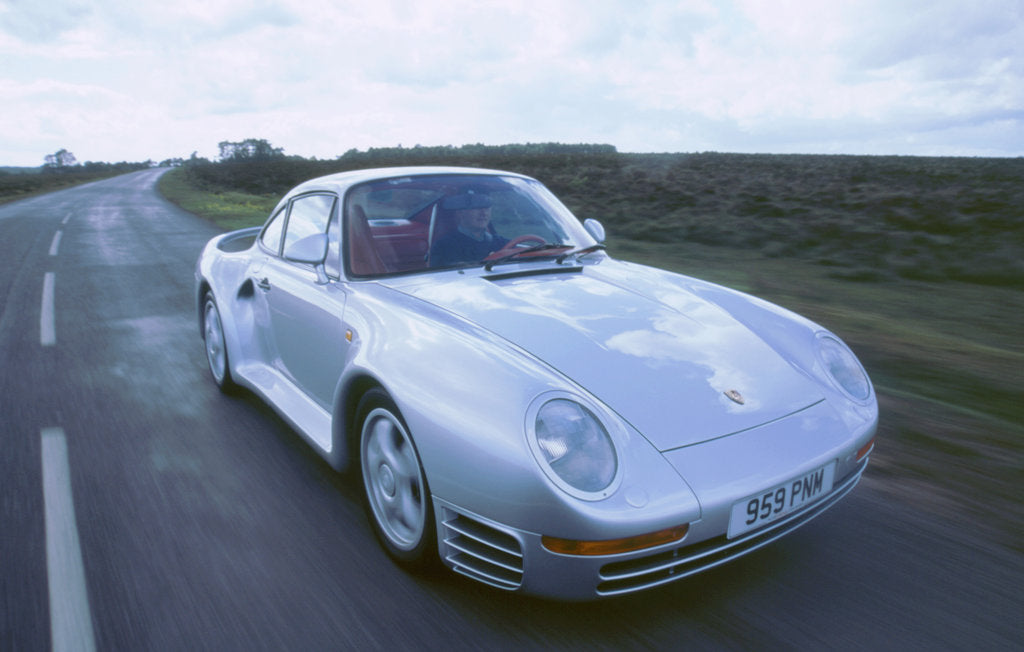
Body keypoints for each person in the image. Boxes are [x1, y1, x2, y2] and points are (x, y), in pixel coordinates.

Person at [429, 193, 508, 267]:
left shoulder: (501, 242)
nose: (484, 213)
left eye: (487, 208)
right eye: (477, 207)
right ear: (460, 213)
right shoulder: (443, 246)